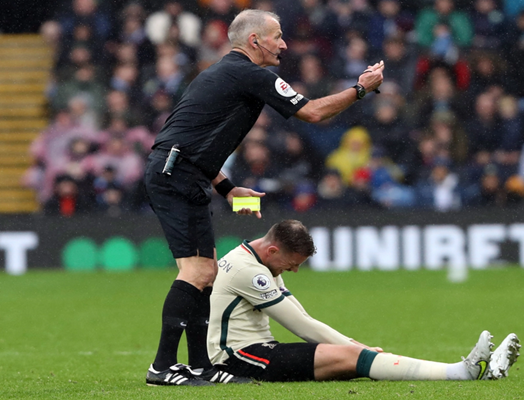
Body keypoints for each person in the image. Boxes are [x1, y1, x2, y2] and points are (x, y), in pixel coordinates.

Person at [144, 9, 384, 386]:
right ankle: (162, 367)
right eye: (277, 36)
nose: (284, 44)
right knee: (197, 272)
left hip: (184, 172)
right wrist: (360, 89)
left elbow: (190, 139)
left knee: (205, 274)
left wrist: (227, 188)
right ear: (254, 41)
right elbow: (312, 112)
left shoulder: (221, 74)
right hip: (178, 174)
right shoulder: (250, 74)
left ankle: (202, 367)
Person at [208, 220, 521, 382]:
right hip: (239, 359)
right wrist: (357, 349)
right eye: (293, 264)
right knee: (351, 358)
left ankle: (462, 371)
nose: (295, 270)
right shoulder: (249, 271)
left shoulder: (263, 262)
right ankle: (461, 372)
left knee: (351, 360)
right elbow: (300, 325)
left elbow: (301, 313)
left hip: (261, 350)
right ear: (274, 250)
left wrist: (354, 346)